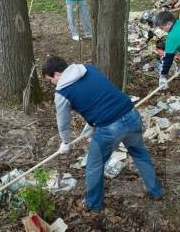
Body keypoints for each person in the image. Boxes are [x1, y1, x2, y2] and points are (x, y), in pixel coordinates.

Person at [42, 56, 162, 211]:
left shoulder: (62, 92)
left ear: (57, 74)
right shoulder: (88, 68)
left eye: (50, 80)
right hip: (131, 114)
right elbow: (100, 94)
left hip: (110, 128)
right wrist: (91, 123)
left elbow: (63, 122)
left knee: (94, 165)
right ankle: (156, 191)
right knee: (139, 154)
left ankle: (93, 204)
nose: (52, 84)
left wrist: (65, 142)